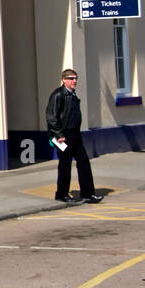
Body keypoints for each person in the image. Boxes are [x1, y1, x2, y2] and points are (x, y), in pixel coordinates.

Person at [46, 69, 102, 204]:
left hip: (75, 134)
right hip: (63, 135)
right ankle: (61, 194)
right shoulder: (58, 95)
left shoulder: (72, 94)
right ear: (64, 80)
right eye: (71, 78)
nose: (74, 81)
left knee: (83, 163)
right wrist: (58, 135)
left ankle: (88, 194)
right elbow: (51, 117)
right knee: (65, 165)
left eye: (76, 78)